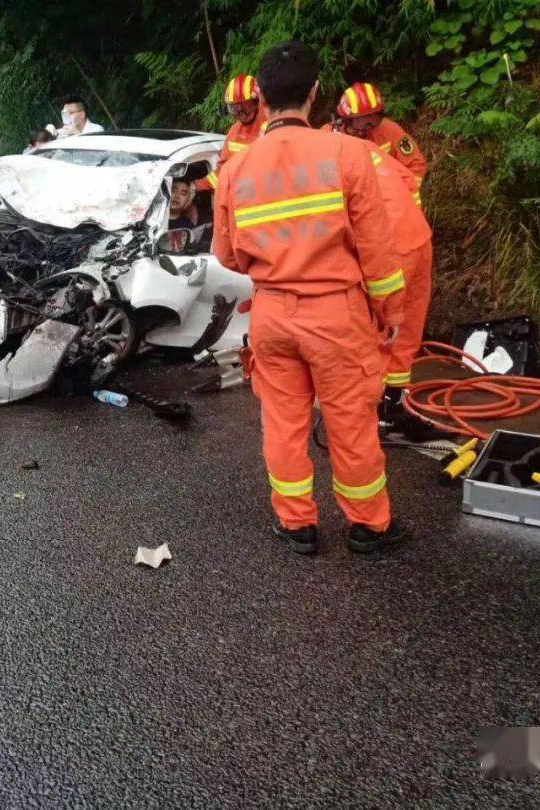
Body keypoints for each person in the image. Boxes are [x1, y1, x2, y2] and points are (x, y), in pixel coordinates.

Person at [212, 41, 407, 555]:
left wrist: (273, 271)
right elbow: (377, 250)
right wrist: (389, 312)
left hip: (273, 314)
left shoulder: (235, 169)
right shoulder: (348, 154)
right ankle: (369, 526)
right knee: (351, 421)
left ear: (261, 95)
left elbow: (227, 254)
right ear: (316, 93)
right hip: (337, 313)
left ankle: (297, 524)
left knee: (282, 421)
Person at [366, 146, 433, 412]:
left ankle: (372, 405)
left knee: (376, 327)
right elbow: (409, 182)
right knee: (406, 327)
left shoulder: (321, 163)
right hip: (418, 237)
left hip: (387, 246)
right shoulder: (366, 149)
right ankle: (395, 403)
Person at [325, 82, 427, 183]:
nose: (368, 127)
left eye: (373, 120)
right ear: (347, 120)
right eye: (363, 121)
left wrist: (401, 192)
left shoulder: (388, 130)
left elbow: (416, 165)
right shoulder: (327, 135)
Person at [195, 73, 266, 193]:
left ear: (257, 101)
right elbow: (223, 172)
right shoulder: (234, 132)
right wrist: (197, 186)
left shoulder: (271, 124)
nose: (240, 113)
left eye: (245, 106)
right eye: (234, 108)